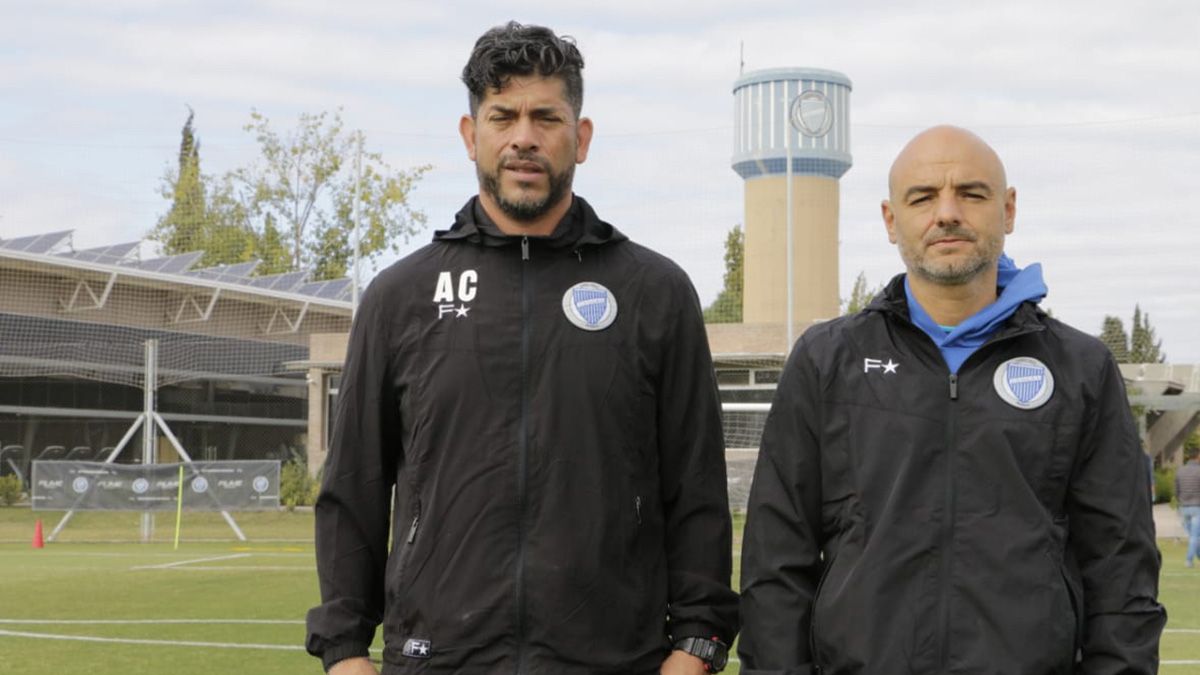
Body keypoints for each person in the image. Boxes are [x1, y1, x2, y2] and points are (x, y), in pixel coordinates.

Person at [305, 21, 738, 675]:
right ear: (470, 133)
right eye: (502, 116)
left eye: (546, 117)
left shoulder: (656, 292)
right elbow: (355, 485)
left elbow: (697, 486)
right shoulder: (402, 297)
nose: (524, 138)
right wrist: (342, 653)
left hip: (614, 658)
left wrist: (697, 645)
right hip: (439, 659)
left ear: (581, 137)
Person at [739, 125, 1165, 674]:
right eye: (922, 197)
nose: (947, 213)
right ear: (892, 220)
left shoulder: (1080, 368)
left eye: (971, 193)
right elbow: (776, 560)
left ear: (1008, 210)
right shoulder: (827, 360)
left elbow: (1122, 564)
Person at [1176, 446, 1200, 567]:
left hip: (1183, 507)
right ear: (1198, 457)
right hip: (1197, 507)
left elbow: (1177, 490)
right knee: (1195, 536)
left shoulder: (1180, 470)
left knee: (1193, 536)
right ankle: (1189, 560)